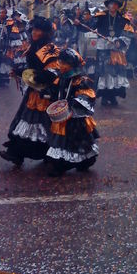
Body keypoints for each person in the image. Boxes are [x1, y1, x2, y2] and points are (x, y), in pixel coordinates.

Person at [0, 16, 59, 167]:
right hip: (34, 90)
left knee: (42, 125)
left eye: (38, 30)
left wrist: (39, 76)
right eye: (33, 29)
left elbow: (53, 72)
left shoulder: (50, 49)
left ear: (45, 32)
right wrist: (20, 71)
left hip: (46, 93)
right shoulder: (33, 46)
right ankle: (16, 153)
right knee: (25, 121)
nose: (34, 32)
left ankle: (47, 153)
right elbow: (31, 68)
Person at [45, 48, 99, 177]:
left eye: (65, 63)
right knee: (62, 140)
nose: (61, 65)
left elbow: (87, 96)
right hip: (62, 116)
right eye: (61, 62)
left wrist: (76, 101)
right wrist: (47, 92)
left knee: (76, 141)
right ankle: (61, 162)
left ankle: (67, 164)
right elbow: (54, 90)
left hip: (75, 117)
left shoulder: (80, 80)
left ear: (72, 65)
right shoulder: (61, 77)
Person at [92, 0, 135, 106]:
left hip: (117, 50)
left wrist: (120, 41)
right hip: (104, 49)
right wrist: (79, 22)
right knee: (105, 73)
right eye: (111, 4)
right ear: (108, 6)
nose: (113, 6)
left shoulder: (122, 19)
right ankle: (105, 97)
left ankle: (113, 96)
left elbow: (128, 33)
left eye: (115, 4)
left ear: (117, 6)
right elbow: (90, 26)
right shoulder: (101, 17)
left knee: (116, 73)